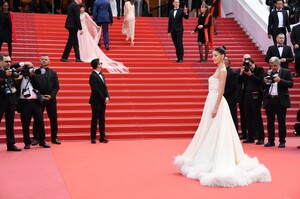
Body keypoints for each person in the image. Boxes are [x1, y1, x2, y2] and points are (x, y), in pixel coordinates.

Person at [174, 46, 271, 187]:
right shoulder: (217, 69)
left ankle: (216, 157)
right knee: (208, 129)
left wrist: (216, 107)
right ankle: (208, 155)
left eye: (215, 55)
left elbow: (221, 91)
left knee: (218, 130)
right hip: (211, 100)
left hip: (217, 102)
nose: (212, 57)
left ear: (222, 56)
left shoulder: (223, 71)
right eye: (212, 55)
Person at [78, 4, 128, 73]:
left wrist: (96, 26)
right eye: (81, 8)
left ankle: (85, 54)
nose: (82, 9)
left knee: (86, 41)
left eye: (83, 8)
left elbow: (91, 21)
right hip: (79, 30)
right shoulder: (77, 14)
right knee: (80, 42)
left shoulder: (86, 14)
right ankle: (80, 54)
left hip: (84, 29)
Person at [263, 56, 293, 148]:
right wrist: (265, 82)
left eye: (275, 65)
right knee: (270, 121)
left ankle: (282, 141)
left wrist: (280, 80)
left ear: (279, 64)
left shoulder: (286, 72)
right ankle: (271, 140)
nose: (273, 67)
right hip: (270, 99)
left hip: (281, 100)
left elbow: (291, 84)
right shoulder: (268, 72)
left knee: (281, 121)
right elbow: (263, 87)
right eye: (271, 65)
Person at [19, 63, 51, 149]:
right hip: (25, 103)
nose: (31, 69)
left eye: (32, 68)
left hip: (36, 102)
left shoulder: (35, 77)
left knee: (40, 122)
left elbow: (39, 86)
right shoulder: (20, 77)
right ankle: (27, 142)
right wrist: (22, 73)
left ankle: (42, 141)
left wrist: (32, 76)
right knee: (25, 123)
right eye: (29, 68)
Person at [32, 55, 61, 145]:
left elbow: (57, 86)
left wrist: (51, 96)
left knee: (53, 119)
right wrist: (39, 95)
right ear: (40, 61)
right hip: (38, 99)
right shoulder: (35, 72)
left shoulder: (53, 73)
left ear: (49, 61)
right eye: (42, 59)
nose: (44, 61)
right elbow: (32, 85)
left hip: (50, 99)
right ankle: (36, 138)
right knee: (37, 118)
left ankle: (54, 137)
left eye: (46, 60)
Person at [238, 57, 265, 145]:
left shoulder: (259, 69)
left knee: (256, 116)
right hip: (246, 95)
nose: (250, 67)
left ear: (254, 63)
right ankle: (250, 137)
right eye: (247, 65)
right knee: (247, 116)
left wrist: (251, 75)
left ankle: (260, 137)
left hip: (256, 95)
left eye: (250, 65)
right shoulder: (246, 71)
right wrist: (241, 74)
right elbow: (239, 82)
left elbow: (260, 81)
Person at [0, 54, 22, 151]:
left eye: (9, 61)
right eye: (6, 61)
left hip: (11, 101)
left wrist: (16, 79)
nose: (9, 63)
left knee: (10, 124)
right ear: (0, 62)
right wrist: (5, 75)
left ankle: (11, 144)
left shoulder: (12, 71)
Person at [89, 58, 110, 144]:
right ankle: (93, 137)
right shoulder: (92, 76)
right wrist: (104, 98)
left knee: (102, 119)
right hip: (96, 101)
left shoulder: (102, 75)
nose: (101, 64)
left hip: (102, 100)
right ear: (97, 65)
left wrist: (108, 96)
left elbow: (105, 87)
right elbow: (95, 90)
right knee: (95, 119)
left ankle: (102, 136)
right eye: (100, 63)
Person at [237, 54, 250, 140]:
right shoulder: (239, 70)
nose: (246, 61)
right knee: (242, 115)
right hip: (242, 96)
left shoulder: (254, 70)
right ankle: (244, 133)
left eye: (248, 59)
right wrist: (241, 74)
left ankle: (253, 132)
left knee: (251, 115)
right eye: (245, 59)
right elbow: (237, 82)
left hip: (251, 95)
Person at [224, 57, 238, 132]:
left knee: (232, 116)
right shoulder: (220, 71)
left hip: (231, 98)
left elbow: (233, 87)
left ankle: (234, 133)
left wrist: (223, 94)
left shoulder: (233, 73)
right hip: (224, 98)